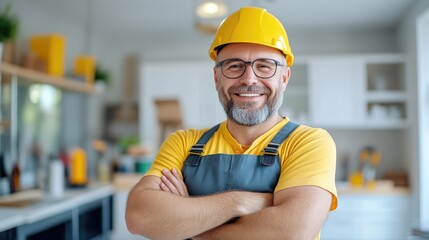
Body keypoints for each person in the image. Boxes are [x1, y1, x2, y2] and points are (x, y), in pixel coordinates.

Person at [126, 6, 337, 240]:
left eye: (265, 66)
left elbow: (291, 233)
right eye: (234, 66)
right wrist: (240, 202)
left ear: (284, 78)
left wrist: (188, 225)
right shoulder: (183, 143)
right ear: (217, 78)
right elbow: (139, 216)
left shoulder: (309, 142)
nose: (248, 79)